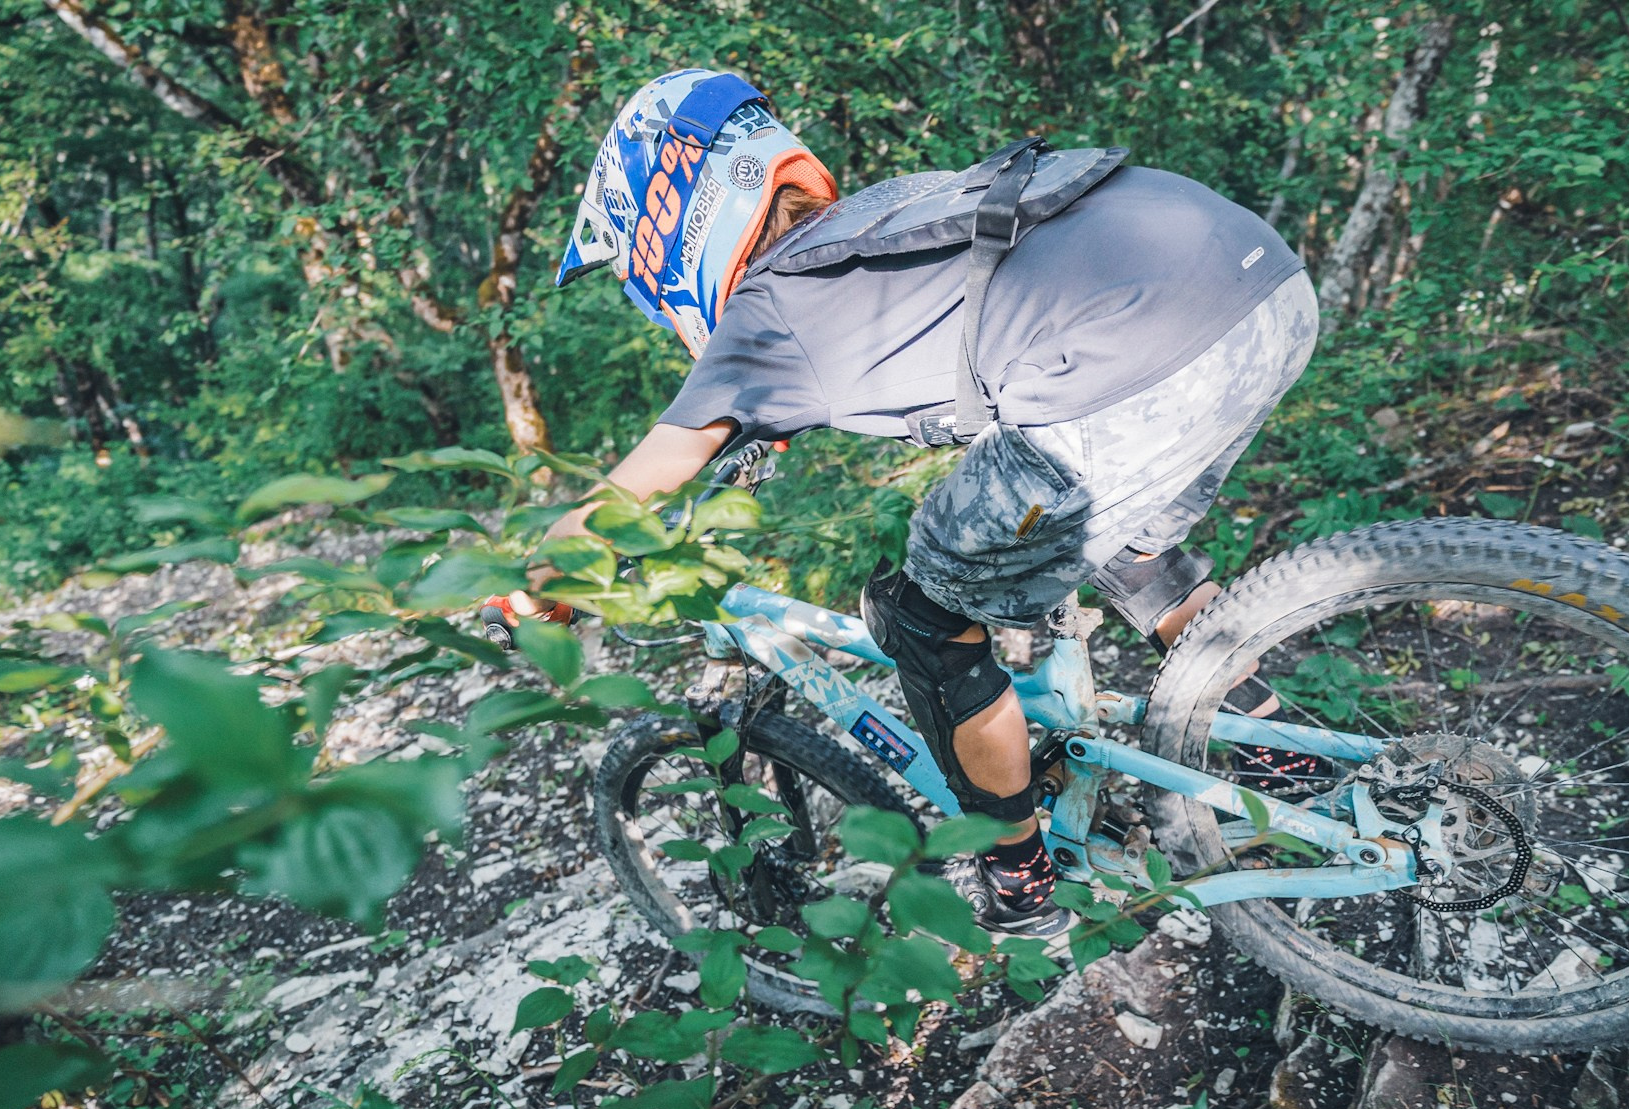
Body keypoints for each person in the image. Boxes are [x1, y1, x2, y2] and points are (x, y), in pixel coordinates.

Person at [519, 68, 1320, 937]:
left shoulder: (766, 310)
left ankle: (1019, 874)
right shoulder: (875, 221)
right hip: (1260, 288)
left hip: (1125, 368)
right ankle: (1284, 748)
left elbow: (654, 469)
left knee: (922, 613)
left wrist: (540, 578)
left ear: (666, 221)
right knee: (1129, 547)